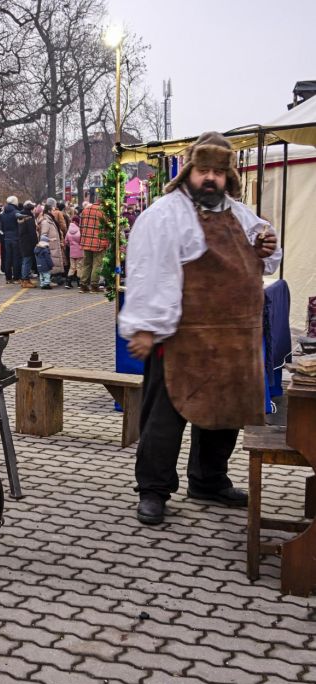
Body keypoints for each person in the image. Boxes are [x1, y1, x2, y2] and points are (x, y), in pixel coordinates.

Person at [118, 131, 282, 526]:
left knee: (224, 413)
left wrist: (267, 247)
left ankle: (208, 480)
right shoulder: (164, 215)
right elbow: (147, 271)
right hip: (181, 337)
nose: (210, 178)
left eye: (218, 172)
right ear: (189, 171)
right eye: (203, 170)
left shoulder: (241, 215)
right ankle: (153, 490)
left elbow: (269, 256)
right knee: (164, 417)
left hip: (232, 340)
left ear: (228, 177)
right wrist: (145, 326)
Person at [78, 201, 107, 293]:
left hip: (86, 241)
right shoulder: (102, 212)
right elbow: (108, 226)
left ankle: (83, 285)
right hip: (98, 242)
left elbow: (81, 226)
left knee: (86, 264)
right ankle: (94, 286)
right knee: (97, 264)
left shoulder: (85, 210)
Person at [37, 203, 65, 279]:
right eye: (53, 210)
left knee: (54, 262)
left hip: (53, 246)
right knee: (51, 263)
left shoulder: (50, 220)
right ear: (49, 211)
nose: (54, 211)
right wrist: (50, 241)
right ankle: (50, 279)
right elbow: (43, 235)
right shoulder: (46, 221)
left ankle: (53, 278)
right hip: (50, 246)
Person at [0, 196, 21, 284]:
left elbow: (1, 226)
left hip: (6, 238)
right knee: (16, 258)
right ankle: (16, 277)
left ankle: (8, 278)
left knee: (8, 258)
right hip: (16, 237)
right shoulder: (16, 213)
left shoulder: (3, 214)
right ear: (14, 202)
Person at [17, 201, 37, 288]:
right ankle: (25, 280)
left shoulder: (21, 217)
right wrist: (36, 243)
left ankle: (25, 279)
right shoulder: (29, 219)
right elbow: (32, 233)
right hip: (28, 243)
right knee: (27, 261)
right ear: (31, 210)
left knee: (25, 261)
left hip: (23, 242)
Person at [65, 215, 83, 289]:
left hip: (72, 252)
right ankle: (79, 283)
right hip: (80, 251)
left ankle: (68, 283)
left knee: (72, 267)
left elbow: (66, 241)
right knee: (79, 267)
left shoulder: (68, 230)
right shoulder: (79, 230)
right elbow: (82, 240)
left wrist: (71, 245)